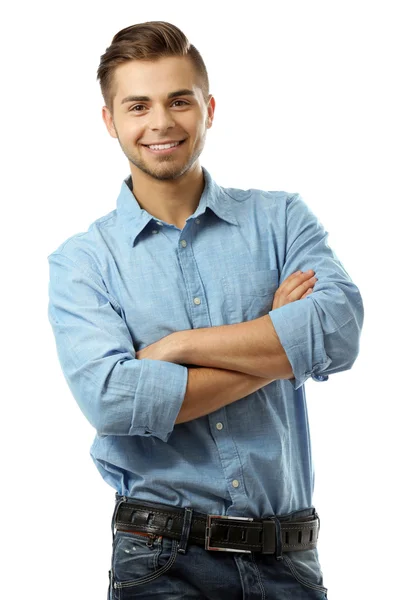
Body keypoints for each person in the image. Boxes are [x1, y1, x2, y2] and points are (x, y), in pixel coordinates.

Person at [47, 20, 364, 600]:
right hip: (160, 560)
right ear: (110, 120)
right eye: (138, 105)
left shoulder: (281, 220)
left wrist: (178, 350)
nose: (161, 123)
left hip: (288, 558)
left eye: (179, 101)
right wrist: (278, 343)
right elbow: (114, 399)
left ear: (209, 108)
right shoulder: (82, 262)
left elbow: (338, 333)